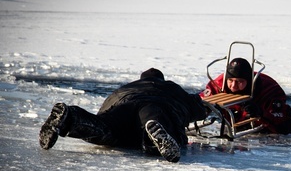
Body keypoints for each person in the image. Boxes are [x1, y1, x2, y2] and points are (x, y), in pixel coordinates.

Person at [39, 68, 208, 162]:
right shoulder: (171, 87)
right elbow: (198, 109)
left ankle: (71, 118)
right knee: (160, 126)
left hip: (124, 104)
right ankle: (153, 137)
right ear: (162, 79)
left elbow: (106, 106)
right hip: (155, 107)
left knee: (104, 129)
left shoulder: (127, 86)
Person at [200, 57, 291, 134]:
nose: (233, 86)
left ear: (249, 81)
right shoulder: (218, 84)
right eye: (231, 81)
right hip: (233, 125)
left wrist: (261, 113)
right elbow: (200, 101)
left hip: (263, 134)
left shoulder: (269, 89)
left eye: (239, 82)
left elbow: (287, 125)